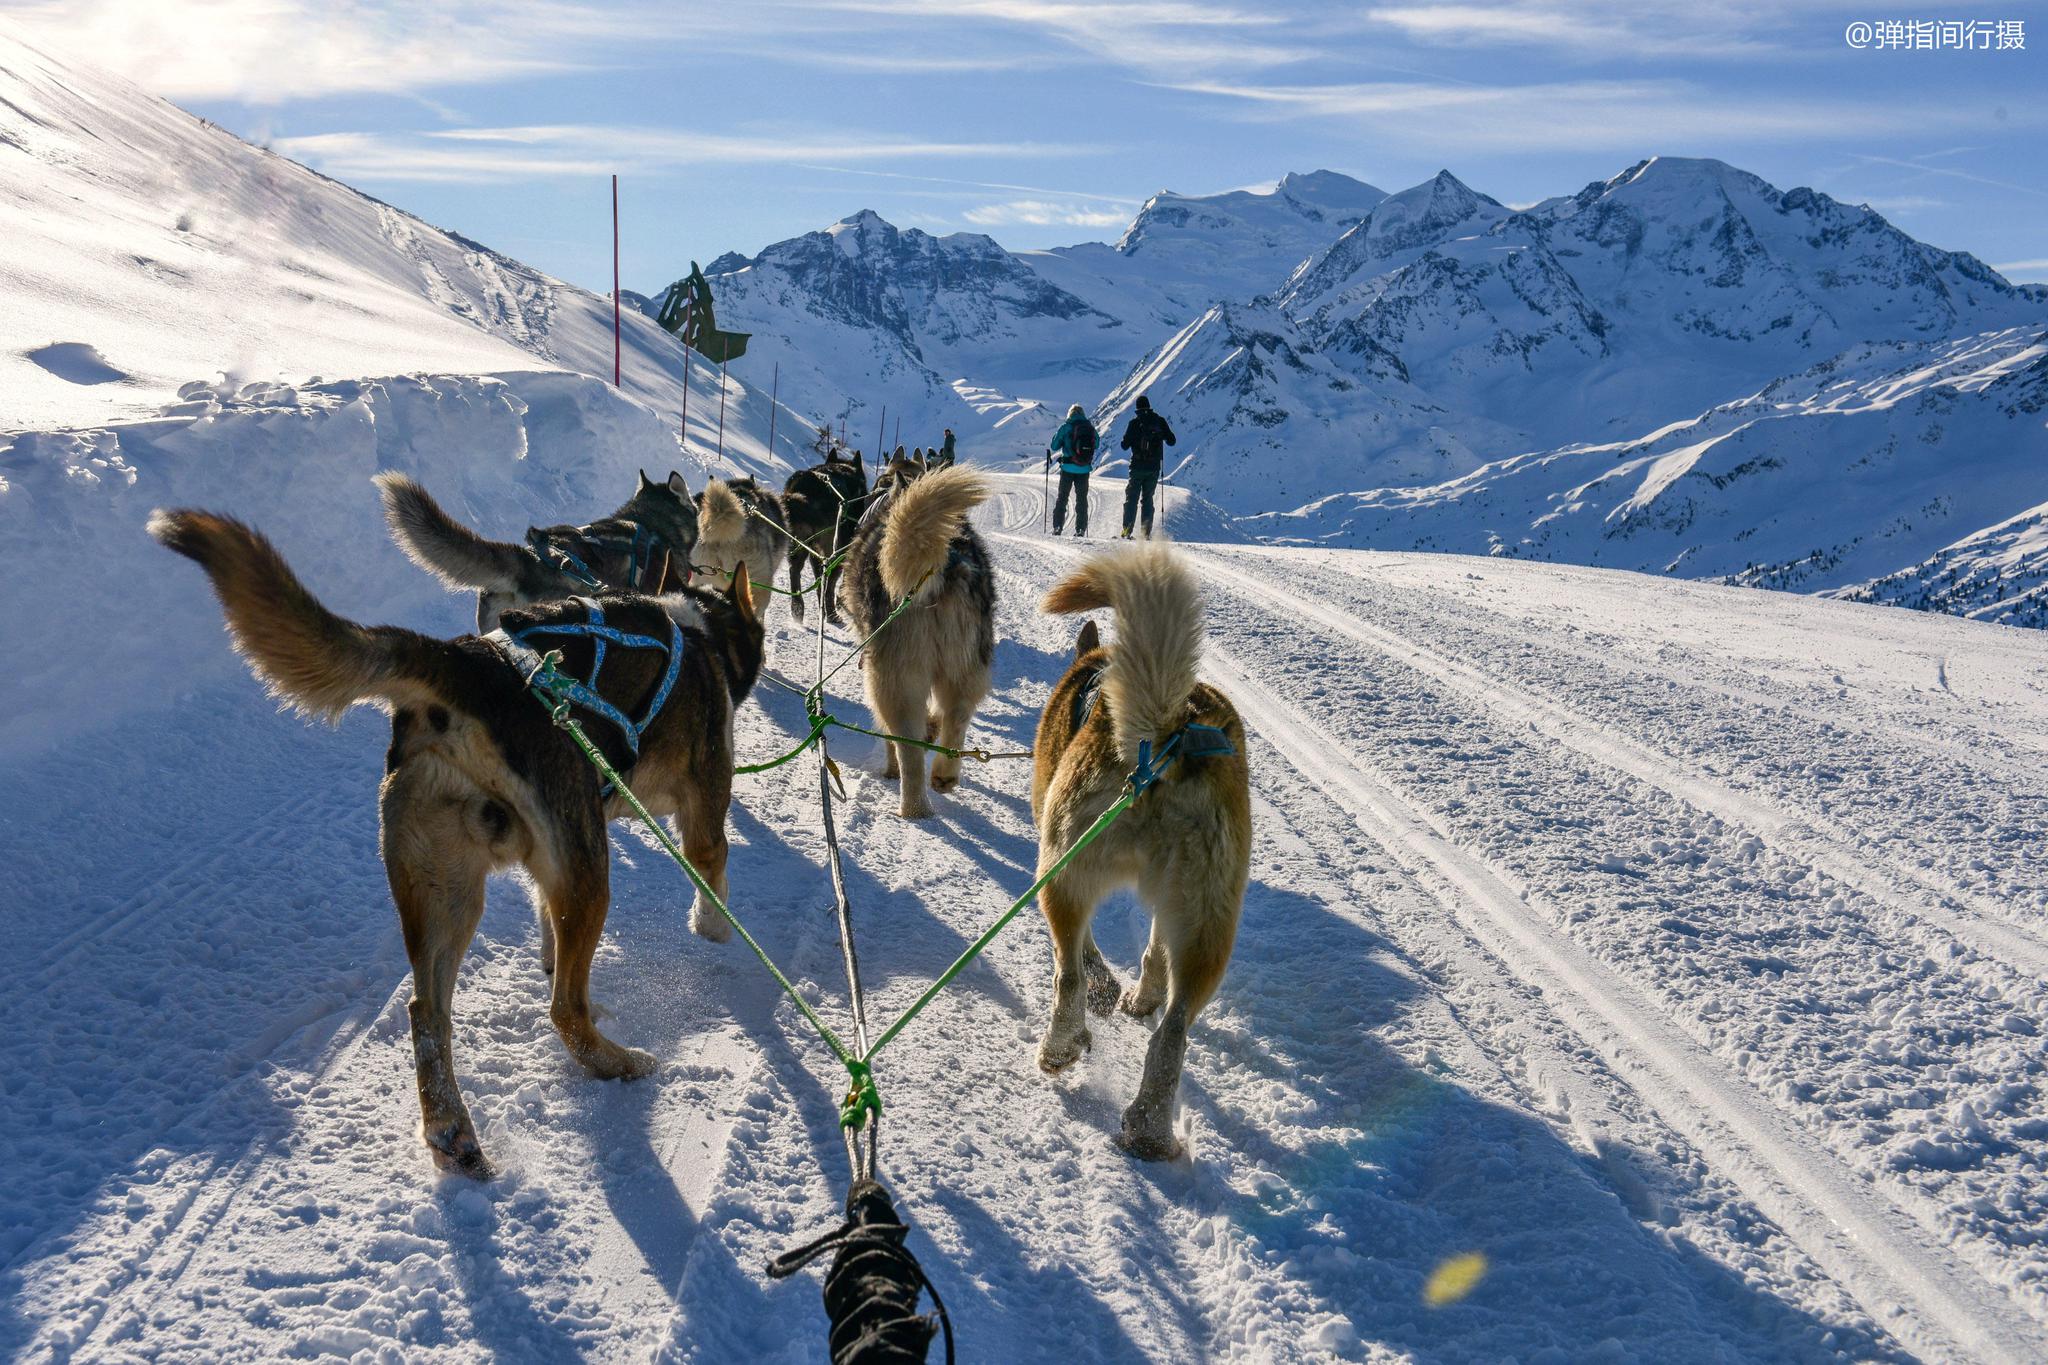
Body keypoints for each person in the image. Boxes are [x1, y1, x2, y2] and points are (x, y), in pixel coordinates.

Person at [1117, 394, 1176, 539]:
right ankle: (1146, 534)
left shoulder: (1134, 423)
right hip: (1154, 468)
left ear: (1137, 409)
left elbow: (1124, 446)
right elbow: (1172, 441)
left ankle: (1127, 530)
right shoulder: (1159, 421)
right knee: (1147, 499)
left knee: (1132, 499)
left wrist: (1132, 439)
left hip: (1137, 467)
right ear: (1149, 407)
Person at [1045, 404, 1098, 537]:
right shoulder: (1090, 428)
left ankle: (1057, 527)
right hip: (1084, 468)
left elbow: (1054, 445)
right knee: (1082, 499)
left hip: (1067, 468)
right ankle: (1080, 529)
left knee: (1062, 498)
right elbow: (1096, 444)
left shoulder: (1066, 427)